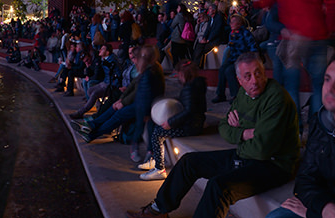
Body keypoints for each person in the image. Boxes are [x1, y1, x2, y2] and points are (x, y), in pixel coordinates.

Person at [127, 52, 300, 218]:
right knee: (189, 162)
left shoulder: (276, 98)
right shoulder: (243, 94)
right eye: (247, 76)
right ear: (239, 81)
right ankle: (158, 210)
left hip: (275, 164)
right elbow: (224, 128)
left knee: (218, 186)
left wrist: (241, 133)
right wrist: (245, 133)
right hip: (247, 154)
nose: (255, 81)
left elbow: (262, 150)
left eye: (258, 74)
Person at [258, 0, 335, 118]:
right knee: (318, 86)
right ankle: (318, 130)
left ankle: (296, 131)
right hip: (316, 35)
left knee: (291, 86)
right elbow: (331, 0)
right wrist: (329, 27)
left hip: (292, 38)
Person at [269, 59, 335, 218]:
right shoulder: (319, 122)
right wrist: (323, 207)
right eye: (327, 79)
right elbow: (305, 179)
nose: (331, 89)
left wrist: (313, 214)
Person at [140, 61, 209, 181]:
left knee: (158, 133)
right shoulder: (196, 84)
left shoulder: (190, 88)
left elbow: (189, 111)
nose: (178, 77)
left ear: (184, 74)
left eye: (179, 74)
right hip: (195, 122)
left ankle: (159, 169)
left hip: (191, 126)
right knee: (154, 125)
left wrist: (170, 123)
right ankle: (156, 159)